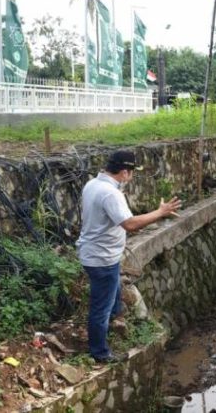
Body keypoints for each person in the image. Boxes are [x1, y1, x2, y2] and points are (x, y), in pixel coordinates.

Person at [77, 150, 182, 363]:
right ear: (124, 172)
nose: (131, 177)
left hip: (99, 255)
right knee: (101, 308)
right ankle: (100, 352)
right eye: (132, 173)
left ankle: (117, 320)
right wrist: (160, 212)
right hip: (102, 259)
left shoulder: (92, 185)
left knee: (112, 294)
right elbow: (130, 224)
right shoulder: (110, 193)